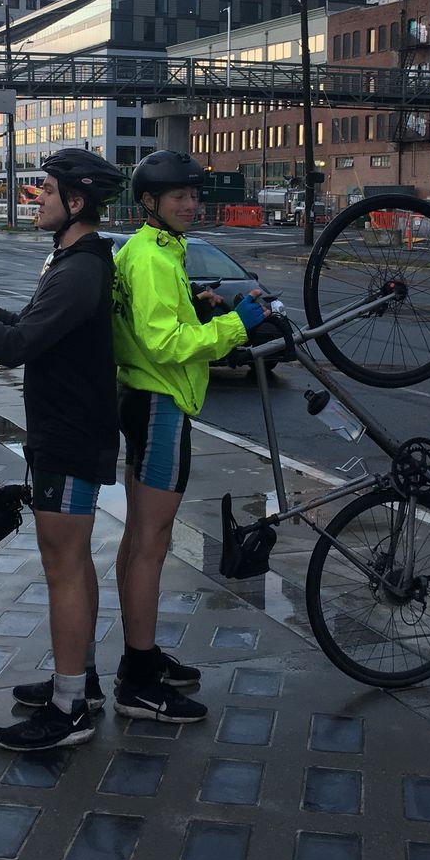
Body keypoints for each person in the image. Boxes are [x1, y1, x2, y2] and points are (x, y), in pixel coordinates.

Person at [0, 148, 124, 752]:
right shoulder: (68, 261)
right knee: (76, 564)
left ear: (76, 201)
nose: (36, 195)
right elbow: (25, 330)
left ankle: (70, 711)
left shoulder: (81, 270)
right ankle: (80, 682)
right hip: (63, 430)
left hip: (68, 435)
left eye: (46, 188)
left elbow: (15, 349)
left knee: (62, 569)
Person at [111, 150, 269, 723]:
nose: (189, 204)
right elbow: (164, 343)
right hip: (161, 405)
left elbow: (162, 324)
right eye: (177, 196)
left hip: (143, 399)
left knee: (138, 539)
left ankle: (141, 658)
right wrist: (235, 326)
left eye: (193, 195)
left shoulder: (148, 250)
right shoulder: (153, 258)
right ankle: (138, 683)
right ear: (149, 202)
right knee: (152, 545)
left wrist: (204, 310)